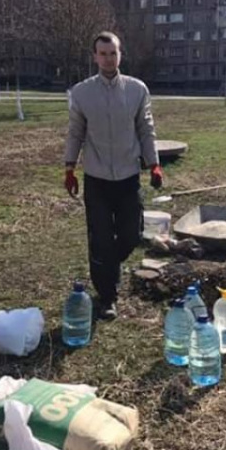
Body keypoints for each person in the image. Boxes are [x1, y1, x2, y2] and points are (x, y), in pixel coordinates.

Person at [64, 31, 164, 320]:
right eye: (102, 53)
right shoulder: (82, 92)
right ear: (95, 56)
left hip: (128, 175)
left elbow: (146, 128)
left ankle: (108, 266)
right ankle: (108, 296)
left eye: (113, 53)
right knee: (101, 239)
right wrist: (69, 167)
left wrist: (154, 163)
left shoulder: (136, 90)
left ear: (121, 55)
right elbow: (75, 132)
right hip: (96, 178)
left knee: (131, 235)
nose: (108, 59)